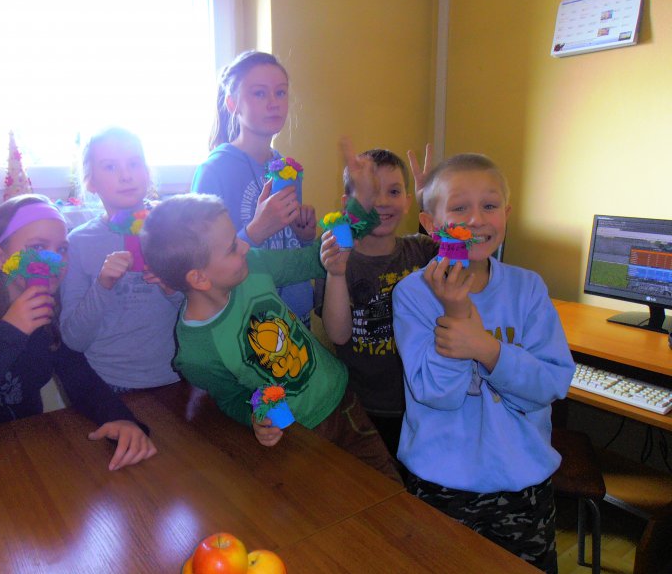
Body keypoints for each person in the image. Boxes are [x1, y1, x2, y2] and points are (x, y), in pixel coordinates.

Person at [141, 159, 401, 483]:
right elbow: (231, 398)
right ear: (199, 278)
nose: (244, 245)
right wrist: (256, 418)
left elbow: (313, 260)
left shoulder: (253, 264)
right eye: (232, 247)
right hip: (299, 438)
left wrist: (361, 205)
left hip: (344, 400)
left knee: (390, 490)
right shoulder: (196, 353)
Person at [0, 194, 155, 510]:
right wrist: (10, 333)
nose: (54, 260)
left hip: (16, 459)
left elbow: (81, 380)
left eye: (61, 249)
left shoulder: (46, 311)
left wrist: (123, 420)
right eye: (37, 247)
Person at [392, 154, 574, 573]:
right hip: (443, 487)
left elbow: (551, 383)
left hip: (523, 487)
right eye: (459, 207)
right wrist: (456, 311)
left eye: (490, 206)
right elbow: (437, 394)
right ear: (431, 223)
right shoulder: (412, 295)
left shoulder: (528, 289)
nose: (476, 219)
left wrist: (487, 350)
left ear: (506, 214)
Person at [315, 148, 437, 460]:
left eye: (393, 192)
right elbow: (339, 335)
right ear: (347, 204)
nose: (382, 201)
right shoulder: (337, 261)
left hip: (421, 402)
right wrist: (336, 273)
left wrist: (433, 204)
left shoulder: (423, 250)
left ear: (407, 201)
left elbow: (465, 261)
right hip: (364, 407)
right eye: (370, 192)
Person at [191, 50, 317, 327]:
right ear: (232, 103)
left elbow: (288, 246)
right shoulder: (214, 171)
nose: (274, 103)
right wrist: (257, 229)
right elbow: (202, 266)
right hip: (247, 319)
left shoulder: (288, 169)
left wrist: (304, 236)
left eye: (280, 93)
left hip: (295, 315)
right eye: (259, 93)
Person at [60, 127, 182, 392]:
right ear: (90, 182)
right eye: (110, 166)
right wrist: (102, 284)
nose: (126, 175)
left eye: (134, 163)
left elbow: (208, 312)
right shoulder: (79, 243)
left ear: (147, 172)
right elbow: (73, 339)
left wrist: (171, 288)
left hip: (179, 376)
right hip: (107, 383)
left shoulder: (175, 230)